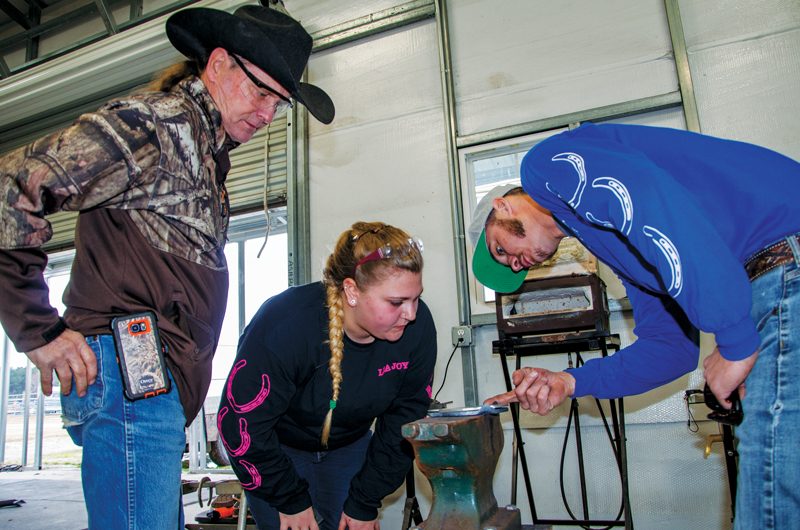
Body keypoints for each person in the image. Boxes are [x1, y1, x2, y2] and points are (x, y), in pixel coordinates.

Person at [0, 4, 333, 528]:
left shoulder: (205, 158)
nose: (268, 114)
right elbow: (12, 187)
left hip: (154, 389)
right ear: (219, 64)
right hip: (129, 371)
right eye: (262, 91)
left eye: (280, 104)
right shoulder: (155, 125)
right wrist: (37, 330)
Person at [472, 122, 800, 529]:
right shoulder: (617, 242)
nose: (516, 262)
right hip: (772, 277)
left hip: (784, 253)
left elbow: (646, 194)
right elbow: (670, 348)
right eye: (512, 268)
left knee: (773, 499)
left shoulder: (543, 169)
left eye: (501, 248)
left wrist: (734, 341)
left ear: (502, 205)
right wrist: (568, 382)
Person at [218, 221, 436, 530]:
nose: (411, 313)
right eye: (396, 302)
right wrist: (289, 500)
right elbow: (240, 425)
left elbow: (404, 419)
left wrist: (365, 500)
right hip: (276, 452)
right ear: (351, 290)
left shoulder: (418, 329)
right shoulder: (286, 323)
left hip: (349, 448)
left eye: (416, 298)